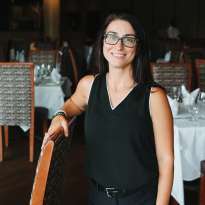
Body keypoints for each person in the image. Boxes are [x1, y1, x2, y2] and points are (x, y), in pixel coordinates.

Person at [42, 12, 174, 205]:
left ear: (138, 46)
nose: (118, 46)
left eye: (128, 39)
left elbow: (166, 161)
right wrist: (60, 114)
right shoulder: (89, 86)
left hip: (142, 199)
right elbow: (73, 104)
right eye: (111, 37)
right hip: (98, 197)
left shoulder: (154, 97)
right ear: (102, 42)